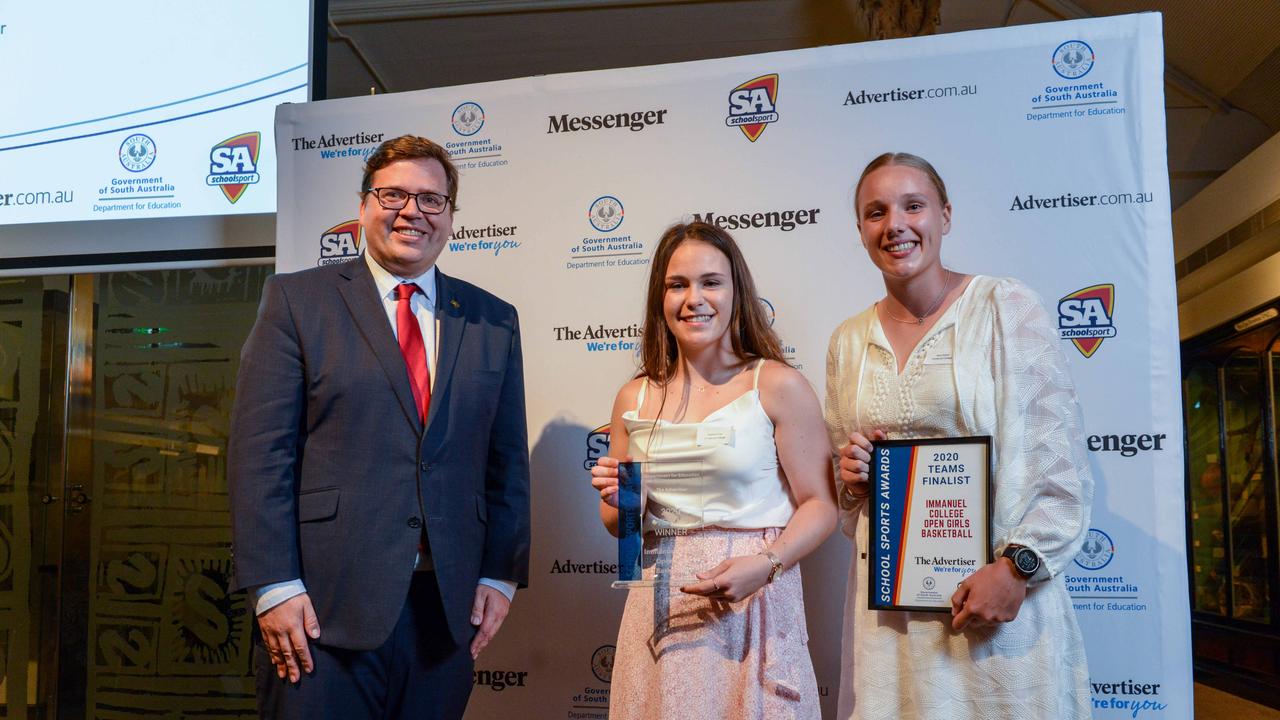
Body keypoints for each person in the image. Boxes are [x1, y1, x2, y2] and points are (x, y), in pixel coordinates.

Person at [229, 135, 530, 719]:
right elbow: (259, 457)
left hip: (446, 616)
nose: (412, 211)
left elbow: (507, 460)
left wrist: (501, 572)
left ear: (449, 217)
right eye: (393, 194)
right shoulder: (298, 301)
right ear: (364, 206)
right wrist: (274, 586)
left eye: (431, 200)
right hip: (321, 611)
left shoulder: (494, 318)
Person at [825, 152, 1093, 719]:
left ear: (945, 215)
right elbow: (849, 497)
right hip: (891, 622)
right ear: (860, 231)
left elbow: (1059, 462)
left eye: (913, 205)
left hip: (995, 603)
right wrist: (851, 476)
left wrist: (1018, 567)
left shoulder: (1005, 307)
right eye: (876, 212)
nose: (894, 223)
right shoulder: (848, 340)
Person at [590, 221, 836, 719]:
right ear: (660, 298)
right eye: (677, 284)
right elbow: (620, 527)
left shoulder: (777, 385)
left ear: (735, 292)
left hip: (754, 600)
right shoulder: (633, 397)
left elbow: (821, 506)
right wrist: (626, 506)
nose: (693, 299)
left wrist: (766, 565)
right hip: (662, 603)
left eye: (710, 282)